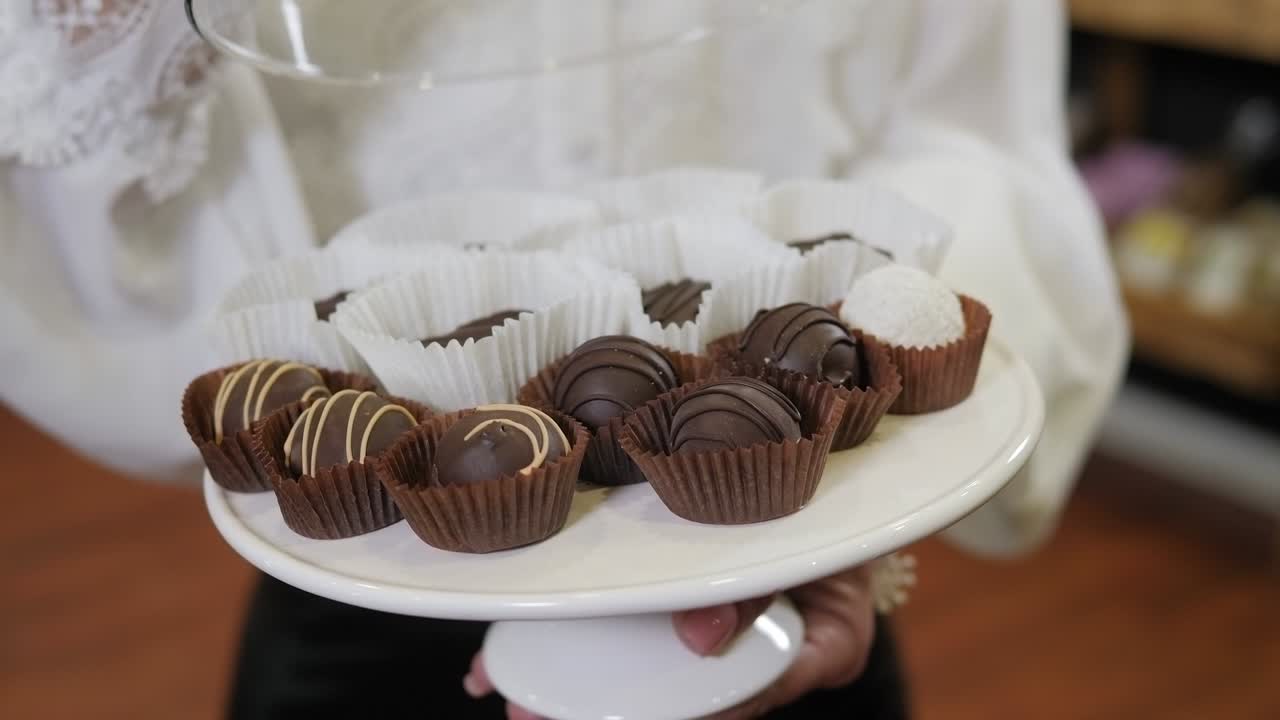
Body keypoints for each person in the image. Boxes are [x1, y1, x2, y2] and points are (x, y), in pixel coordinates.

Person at [0, 1, 1127, 718]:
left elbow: (965, 123)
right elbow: (73, 157)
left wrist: (865, 484)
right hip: (377, 564)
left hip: (792, 544)